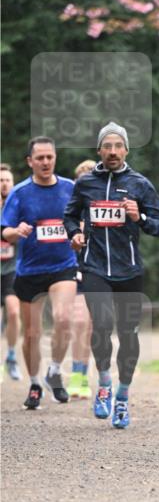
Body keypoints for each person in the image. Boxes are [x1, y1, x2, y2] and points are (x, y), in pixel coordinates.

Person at [63, 122, 159, 428]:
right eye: (106, 146)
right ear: (99, 150)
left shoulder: (139, 184)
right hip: (94, 266)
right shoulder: (85, 184)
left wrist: (140, 216)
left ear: (125, 149)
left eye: (117, 146)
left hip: (129, 271)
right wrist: (74, 234)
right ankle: (105, 383)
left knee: (127, 334)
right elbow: (70, 215)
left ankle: (122, 397)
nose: (112, 151)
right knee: (102, 324)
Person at [1, 139, 78, 409]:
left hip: (63, 266)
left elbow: (82, 221)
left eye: (50, 157)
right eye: (40, 158)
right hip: (30, 270)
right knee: (32, 333)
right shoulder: (20, 193)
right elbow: (5, 232)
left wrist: (79, 233)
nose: (46, 162)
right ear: (30, 161)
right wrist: (16, 231)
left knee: (63, 318)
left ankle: (54, 371)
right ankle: (35, 384)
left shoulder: (70, 188)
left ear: (55, 158)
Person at [68, 160, 96, 399]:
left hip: (95, 272)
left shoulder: (102, 211)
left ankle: (81, 375)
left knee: (87, 326)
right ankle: (71, 372)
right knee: (78, 321)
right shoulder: (69, 211)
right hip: (69, 271)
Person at [1, 164, 21, 381]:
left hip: (12, 270)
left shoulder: (18, 206)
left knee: (14, 313)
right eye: (0, 180)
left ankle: (12, 356)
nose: (4, 183)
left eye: (7, 179)